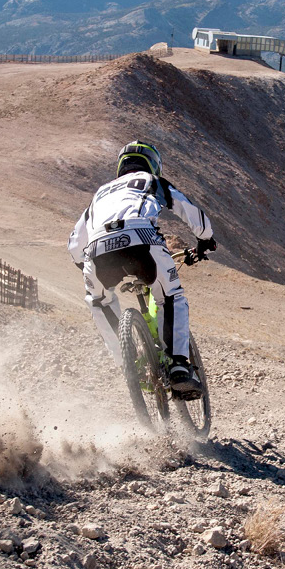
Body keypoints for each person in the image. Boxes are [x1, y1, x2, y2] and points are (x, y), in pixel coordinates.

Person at [68, 141, 216, 396]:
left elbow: (73, 245)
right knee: (171, 297)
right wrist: (205, 239)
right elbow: (187, 208)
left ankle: (130, 366)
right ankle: (179, 366)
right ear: (153, 164)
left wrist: (85, 265)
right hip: (141, 241)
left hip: (97, 249)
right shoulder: (151, 180)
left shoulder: (100, 194)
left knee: (99, 301)